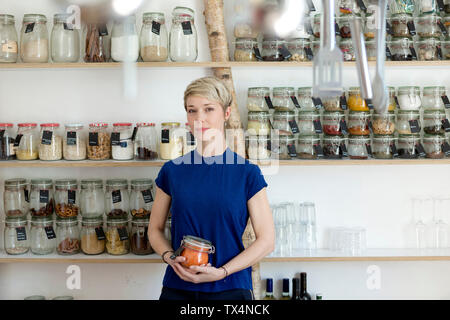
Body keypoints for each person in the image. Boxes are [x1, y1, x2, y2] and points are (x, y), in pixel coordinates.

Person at [149, 76, 275, 300]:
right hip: (178, 287)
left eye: (209, 109)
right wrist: (169, 256)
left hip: (231, 288)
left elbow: (266, 241)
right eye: (192, 110)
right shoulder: (172, 171)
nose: (199, 118)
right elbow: (155, 229)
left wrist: (222, 272)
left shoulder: (247, 173)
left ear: (226, 113)